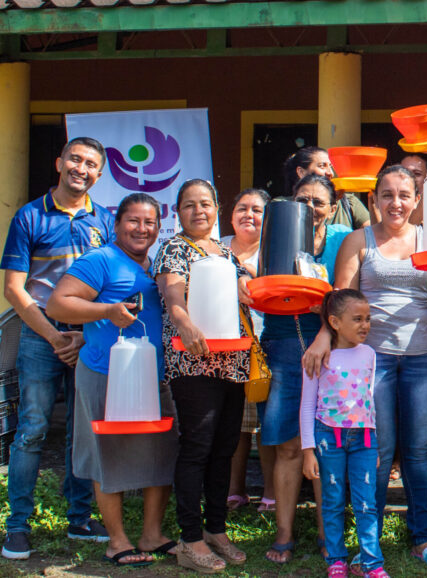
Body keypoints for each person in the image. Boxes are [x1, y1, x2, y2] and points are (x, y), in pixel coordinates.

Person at [304, 165, 427, 569]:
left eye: (404, 195)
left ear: (417, 200)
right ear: (374, 200)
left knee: (419, 451)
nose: (396, 202)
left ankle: (421, 536)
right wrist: (325, 335)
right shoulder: (359, 240)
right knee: (380, 450)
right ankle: (368, 545)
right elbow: (339, 299)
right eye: (387, 195)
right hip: (371, 363)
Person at [46, 193, 179, 568]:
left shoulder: (155, 265)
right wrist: (106, 310)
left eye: (150, 222)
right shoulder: (100, 260)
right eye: (133, 221)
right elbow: (58, 303)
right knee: (109, 456)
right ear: (117, 225)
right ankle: (116, 541)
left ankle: (152, 534)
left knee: (161, 452)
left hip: (152, 376)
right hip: (106, 373)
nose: (142, 229)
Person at [2, 137, 114, 560]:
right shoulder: (29, 217)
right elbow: (15, 289)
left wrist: (83, 335)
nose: (81, 168)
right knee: (32, 430)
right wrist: (54, 336)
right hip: (39, 337)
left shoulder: (104, 221)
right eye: (75, 159)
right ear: (59, 162)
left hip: (89, 337)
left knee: (80, 434)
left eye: (90, 164)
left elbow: (109, 284)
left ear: (99, 174)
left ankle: (80, 519)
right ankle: (17, 526)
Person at [153, 178, 253, 572]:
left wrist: (248, 286)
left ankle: (216, 529)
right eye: (190, 205)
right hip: (191, 359)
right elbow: (172, 294)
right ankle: (189, 539)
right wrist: (184, 323)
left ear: (216, 209)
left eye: (206, 204)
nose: (199, 211)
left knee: (225, 446)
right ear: (178, 212)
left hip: (232, 360)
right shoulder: (174, 248)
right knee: (197, 446)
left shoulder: (225, 252)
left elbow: (246, 285)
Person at [258, 174, 352, 564]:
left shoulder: (343, 239)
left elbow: (347, 296)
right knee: (289, 444)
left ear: (332, 207)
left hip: (332, 350)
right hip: (282, 345)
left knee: (328, 446)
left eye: (318, 201)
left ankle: (327, 532)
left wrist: (326, 335)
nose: (310, 207)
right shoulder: (276, 229)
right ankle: (284, 532)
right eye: (302, 199)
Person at [300, 289, 388, 578]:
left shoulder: (369, 355)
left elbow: (369, 400)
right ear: (335, 322)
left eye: (368, 319)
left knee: (367, 503)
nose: (365, 325)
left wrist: (374, 445)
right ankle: (335, 560)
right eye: (357, 319)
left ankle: (372, 564)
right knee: (333, 500)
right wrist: (308, 450)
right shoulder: (318, 357)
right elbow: (307, 405)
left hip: (364, 440)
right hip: (328, 439)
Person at [222, 188, 278, 514]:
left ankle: (271, 492)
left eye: (257, 210)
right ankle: (235, 491)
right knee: (236, 423)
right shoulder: (216, 249)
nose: (249, 215)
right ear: (230, 215)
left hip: (266, 343)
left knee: (266, 422)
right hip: (226, 346)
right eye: (242, 208)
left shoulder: (275, 251)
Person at [283, 146, 370, 230]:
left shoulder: (349, 202)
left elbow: (373, 236)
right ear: (301, 172)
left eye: (330, 166)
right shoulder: (281, 205)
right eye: (322, 166)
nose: (330, 173)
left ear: (333, 209)